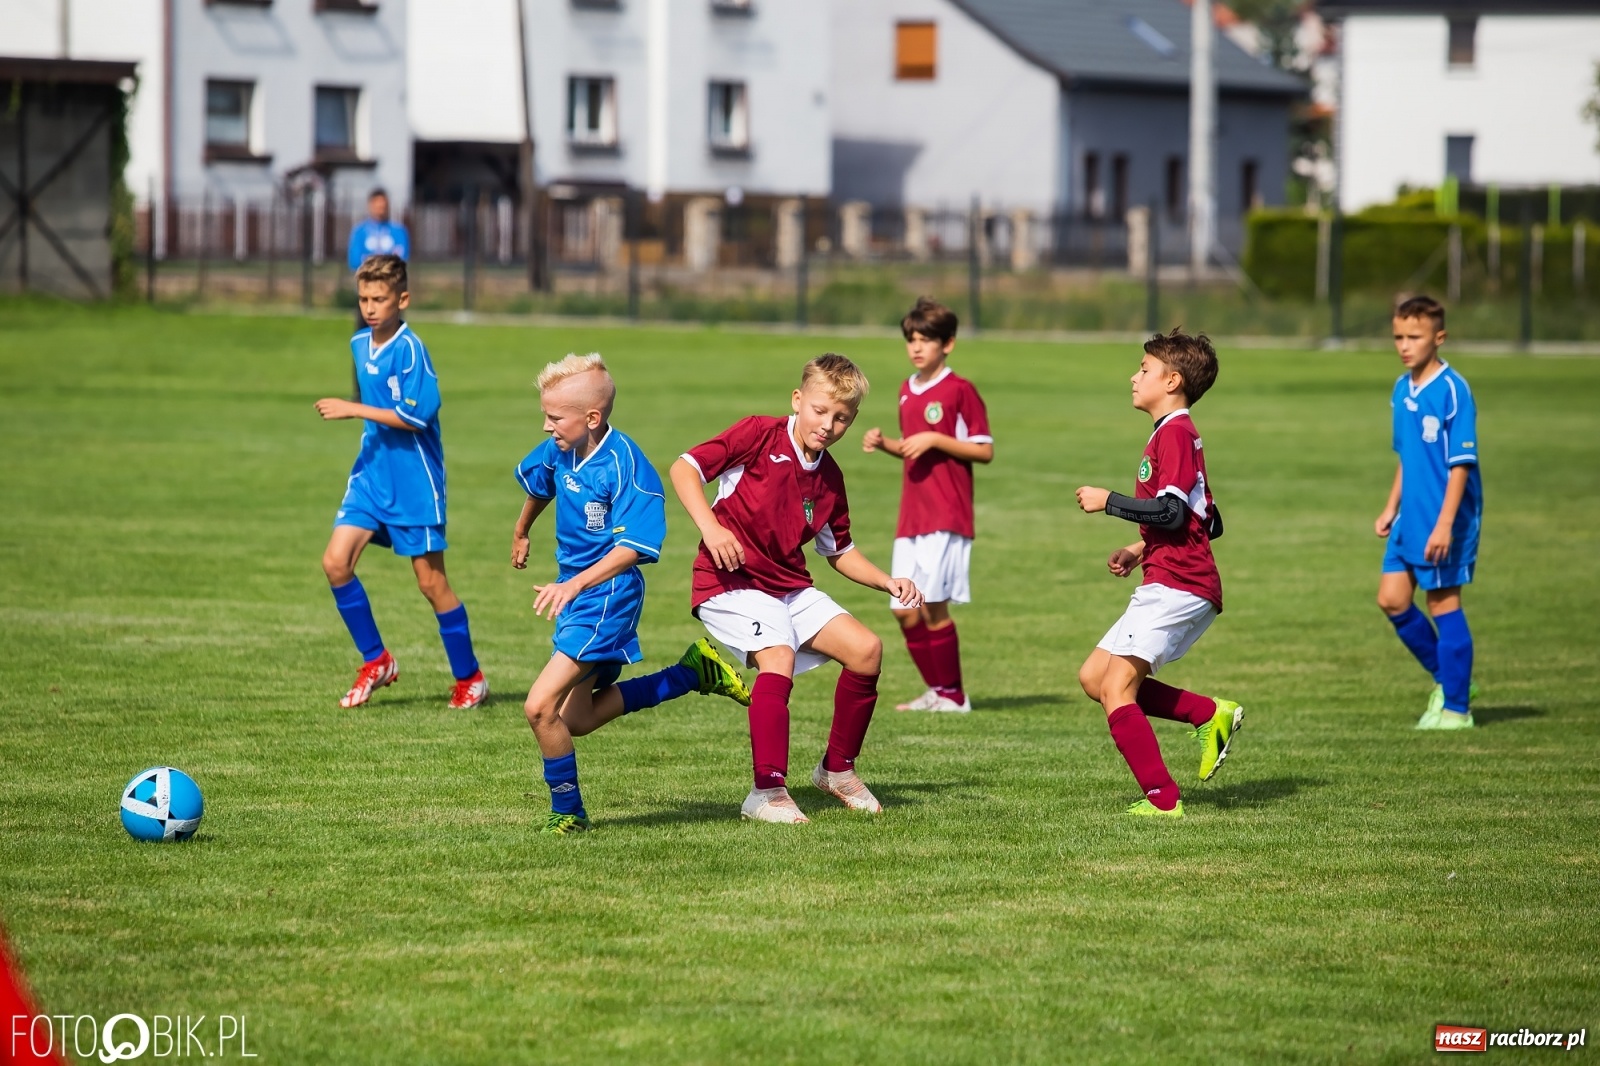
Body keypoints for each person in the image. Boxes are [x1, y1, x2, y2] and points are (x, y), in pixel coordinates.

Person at [670, 354, 924, 825]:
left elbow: (840, 551)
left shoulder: (829, 479)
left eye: (842, 418)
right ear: (798, 400)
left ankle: (837, 770)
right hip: (728, 583)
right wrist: (711, 528)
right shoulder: (759, 434)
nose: (828, 425)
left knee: (867, 650)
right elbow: (684, 469)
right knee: (778, 654)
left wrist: (887, 580)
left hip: (787, 586)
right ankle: (765, 791)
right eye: (820, 411)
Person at [514, 354, 754, 834]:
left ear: (592, 418)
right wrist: (522, 530)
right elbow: (540, 484)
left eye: (555, 417)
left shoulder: (627, 466)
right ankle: (690, 673)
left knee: (538, 707)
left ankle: (568, 814)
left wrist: (576, 582)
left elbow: (634, 548)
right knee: (575, 718)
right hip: (577, 593)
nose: (546, 426)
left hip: (609, 595)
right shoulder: (561, 448)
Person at [1074, 329, 1242, 818]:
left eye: (1143, 369)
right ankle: (1209, 714)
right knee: (1094, 678)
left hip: (1179, 583)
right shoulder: (1173, 433)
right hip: (1170, 575)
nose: (1134, 375)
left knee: (1116, 689)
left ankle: (1163, 800)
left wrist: (1110, 503)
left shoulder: (1176, 433)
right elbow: (1206, 519)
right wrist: (1137, 547)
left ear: (1172, 380)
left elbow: (1170, 513)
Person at [315, 254, 487, 710]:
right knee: (335, 563)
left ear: (402, 299)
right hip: (372, 478)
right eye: (364, 298)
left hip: (416, 485)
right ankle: (377, 661)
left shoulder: (411, 349)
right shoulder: (358, 344)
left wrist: (353, 409)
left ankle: (470, 677)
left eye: (380, 298)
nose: (370, 307)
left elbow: (415, 416)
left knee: (431, 584)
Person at [862, 297, 993, 713]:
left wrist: (937, 440)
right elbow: (913, 448)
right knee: (903, 609)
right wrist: (886, 444)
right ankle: (938, 691)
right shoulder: (906, 390)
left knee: (933, 605)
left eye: (926, 340)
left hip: (946, 514)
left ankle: (954, 696)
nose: (917, 347)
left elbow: (984, 450)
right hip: (911, 516)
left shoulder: (959, 390)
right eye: (911, 339)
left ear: (948, 344)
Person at [1375, 295, 1482, 729]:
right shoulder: (1402, 388)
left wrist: (1444, 525)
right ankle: (1450, 678)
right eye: (1399, 336)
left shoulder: (1453, 390)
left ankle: (1457, 709)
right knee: (1392, 599)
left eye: (1414, 337)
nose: (1405, 345)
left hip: (1444, 520)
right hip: (1409, 518)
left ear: (1438, 337)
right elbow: (1408, 456)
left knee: (1443, 603)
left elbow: (1460, 466)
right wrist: (1390, 507)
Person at [347, 188, 410, 333]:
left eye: (383, 206)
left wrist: (373, 262)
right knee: (364, 337)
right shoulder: (360, 232)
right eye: (377, 205)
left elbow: (400, 261)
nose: (381, 209)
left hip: (391, 294)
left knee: (393, 339)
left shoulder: (398, 231)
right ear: (370, 206)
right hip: (368, 290)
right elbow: (355, 261)